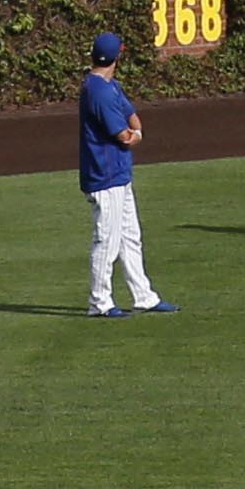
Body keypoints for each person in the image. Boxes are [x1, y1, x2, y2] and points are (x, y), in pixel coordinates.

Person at [80, 30, 168, 315]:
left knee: (130, 236)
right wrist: (137, 135)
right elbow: (124, 135)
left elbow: (132, 117)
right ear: (117, 56)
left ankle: (144, 296)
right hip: (105, 176)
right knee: (107, 239)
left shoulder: (108, 85)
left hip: (118, 174)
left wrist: (136, 130)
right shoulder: (99, 91)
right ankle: (100, 302)